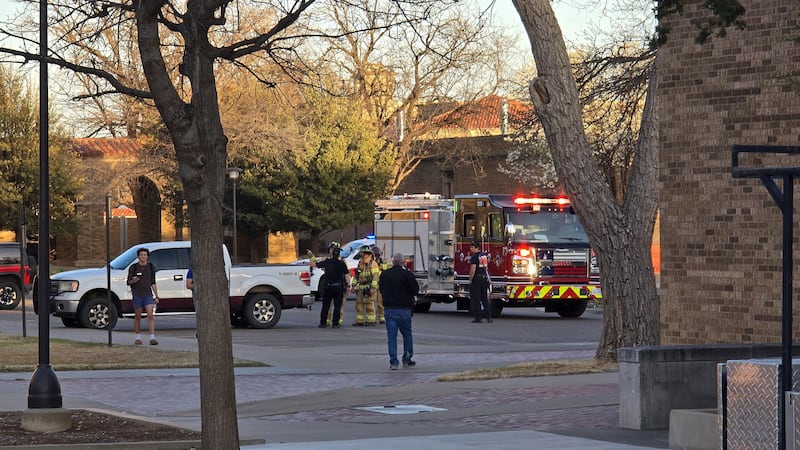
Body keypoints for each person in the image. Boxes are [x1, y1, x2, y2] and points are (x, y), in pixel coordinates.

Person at [378, 252, 419, 370]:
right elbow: (415, 290)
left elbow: (381, 289)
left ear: (392, 262)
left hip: (389, 309)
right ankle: (407, 359)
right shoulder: (407, 275)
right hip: (404, 309)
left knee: (392, 337)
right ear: (403, 262)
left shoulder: (385, 275)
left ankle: (393, 362)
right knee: (407, 335)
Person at [309, 242, 347, 327]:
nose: (331, 251)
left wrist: (347, 286)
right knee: (330, 306)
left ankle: (334, 322)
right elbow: (316, 263)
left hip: (334, 286)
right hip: (334, 286)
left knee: (336, 306)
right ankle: (330, 322)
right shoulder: (332, 260)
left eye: (333, 249)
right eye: (331, 249)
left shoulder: (340, 261)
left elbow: (314, 264)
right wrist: (311, 257)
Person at [127, 247, 160, 345]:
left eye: (145, 255)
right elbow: (128, 282)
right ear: (138, 256)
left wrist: (157, 296)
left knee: (150, 315)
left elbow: (153, 282)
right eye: (141, 255)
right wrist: (133, 281)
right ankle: (138, 337)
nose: (143, 257)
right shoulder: (133, 267)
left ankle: (152, 338)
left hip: (148, 294)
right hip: (137, 294)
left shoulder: (150, 267)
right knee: (138, 316)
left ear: (147, 256)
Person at [352, 246, 380, 326]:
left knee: (369, 305)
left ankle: (371, 321)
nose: (363, 255)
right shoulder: (360, 263)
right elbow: (356, 275)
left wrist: (373, 287)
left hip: (369, 287)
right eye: (362, 253)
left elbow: (375, 276)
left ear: (369, 254)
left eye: (364, 253)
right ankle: (359, 321)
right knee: (358, 305)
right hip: (361, 287)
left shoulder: (373, 264)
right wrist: (353, 285)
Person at [468, 240, 492, 323]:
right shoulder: (483, 256)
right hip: (484, 278)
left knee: (476, 299)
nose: (470, 249)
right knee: (484, 298)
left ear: (476, 248)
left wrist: (470, 279)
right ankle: (489, 317)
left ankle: (478, 317)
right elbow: (486, 268)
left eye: (472, 247)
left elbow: (473, 269)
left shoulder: (474, 257)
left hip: (477, 279)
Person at [372, 246, 388, 324]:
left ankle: (381, 317)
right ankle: (373, 318)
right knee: (372, 302)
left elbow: (384, 271)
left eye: (377, 255)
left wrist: (382, 264)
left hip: (381, 284)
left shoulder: (382, 261)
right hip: (374, 285)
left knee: (380, 302)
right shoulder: (370, 263)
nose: (376, 256)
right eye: (375, 255)